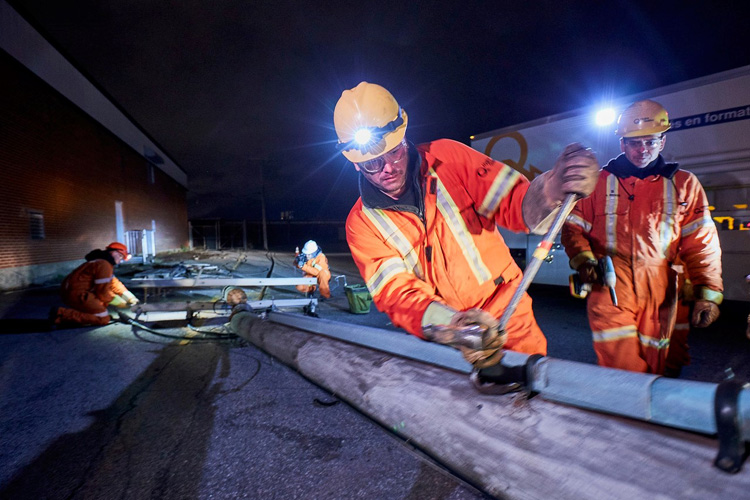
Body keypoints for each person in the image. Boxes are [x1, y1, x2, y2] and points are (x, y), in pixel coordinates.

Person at [333, 81, 599, 368]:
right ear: (355, 164)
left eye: (394, 151)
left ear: (405, 136)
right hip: (445, 336)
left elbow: (515, 204)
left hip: (507, 314)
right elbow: (396, 293)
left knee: (528, 395)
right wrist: (453, 326)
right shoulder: (362, 223)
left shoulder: (449, 158)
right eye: (372, 163)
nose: (387, 167)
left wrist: (550, 190)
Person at [562, 99, 723, 375]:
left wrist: (708, 293)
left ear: (662, 142)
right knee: (621, 368)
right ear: (622, 144)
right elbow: (572, 227)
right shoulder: (598, 183)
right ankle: (623, 416)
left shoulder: (684, 183)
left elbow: (701, 243)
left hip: (667, 292)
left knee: (668, 367)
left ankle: (652, 417)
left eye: (650, 142)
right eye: (634, 143)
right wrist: (584, 261)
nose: (642, 150)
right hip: (612, 287)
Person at [49, 242, 140, 327]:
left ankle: (84, 312)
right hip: (79, 294)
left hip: (74, 293)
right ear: (114, 253)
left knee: (102, 304)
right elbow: (103, 292)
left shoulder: (100, 262)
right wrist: (120, 303)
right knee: (103, 318)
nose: (120, 261)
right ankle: (61, 314)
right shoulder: (104, 265)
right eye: (120, 256)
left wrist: (130, 297)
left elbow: (114, 283)